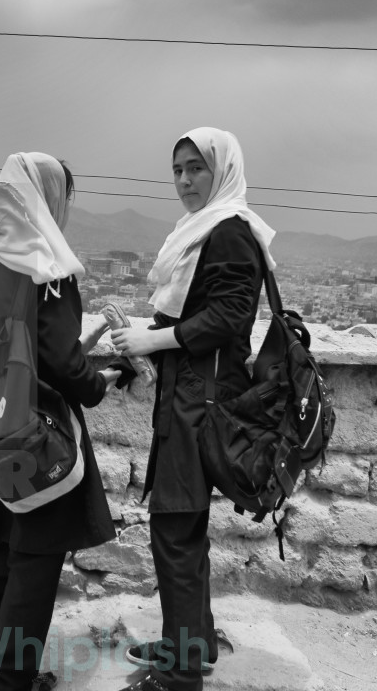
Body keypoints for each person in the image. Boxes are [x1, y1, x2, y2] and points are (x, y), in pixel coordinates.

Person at [0, 151, 127, 691]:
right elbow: (60, 365)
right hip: (38, 438)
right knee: (33, 570)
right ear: (50, 198)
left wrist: (74, 349)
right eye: (65, 196)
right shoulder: (49, 266)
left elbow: (7, 344)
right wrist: (102, 381)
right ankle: (7, 684)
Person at [110, 128, 276, 691]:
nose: (183, 180)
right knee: (186, 529)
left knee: (175, 531)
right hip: (189, 397)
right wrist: (130, 353)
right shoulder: (204, 230)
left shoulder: (230, 232)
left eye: (195, 169)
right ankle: (194, 638)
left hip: (200, 405)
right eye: (177, 169)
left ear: (221, 170)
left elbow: (229, 318)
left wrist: (153, 344)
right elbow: (176, 318)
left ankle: (179, 674)